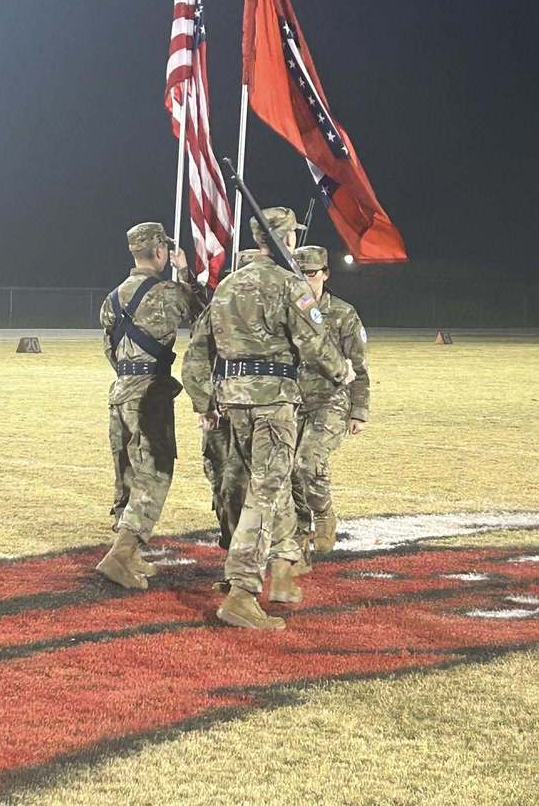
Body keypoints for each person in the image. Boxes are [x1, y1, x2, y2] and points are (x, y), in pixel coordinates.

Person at [182, 208, 354, 631]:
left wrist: (205, 400)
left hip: (232, 402)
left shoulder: (228, 285)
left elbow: (195, 356)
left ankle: (276, 569)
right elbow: (314, 342)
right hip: (273, 402)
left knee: (251, 487)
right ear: (288, 240)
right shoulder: (289, 284)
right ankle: (242, 591)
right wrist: (341, 370)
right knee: (267, 491)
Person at [95, 222, 205, 590]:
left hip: (120, 390)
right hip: (150, 395)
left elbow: (109, 350)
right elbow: (204, 314)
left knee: (127, 472)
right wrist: (186, 271)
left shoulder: (111, 300)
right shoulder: (168, 293)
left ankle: (130, 554)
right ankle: (120, 555)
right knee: (155, 474)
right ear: (159, 252)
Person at [291, 245, 369, 566]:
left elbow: (359, 367)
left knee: (307, 460)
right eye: (301, 275)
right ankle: (298, 527)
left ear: (325, 274)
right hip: (294, 401)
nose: (307, 281)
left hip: (332, 401)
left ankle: (324, 516)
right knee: (287, 468)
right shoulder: (288, 312)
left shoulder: (343, 314)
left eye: (312, 274)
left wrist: (359, 411)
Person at [183, 248, 257, 551]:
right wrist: (206, 404)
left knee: (236, 479)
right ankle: (234, 540)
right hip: (230, 410)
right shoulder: (219, 310)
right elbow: (195, 360)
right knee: (224, 477)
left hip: (244, 409)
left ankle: (241, 542)